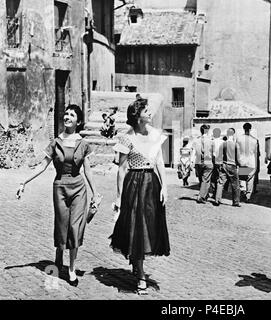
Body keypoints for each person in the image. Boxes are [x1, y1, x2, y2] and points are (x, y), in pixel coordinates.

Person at [16, 104, 100, 287]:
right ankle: (58, 256)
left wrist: (95, 193)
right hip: (60, 187)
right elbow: (42, 165)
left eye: (72, 115)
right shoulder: (55, 142)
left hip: (79, 189)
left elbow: (88, 170)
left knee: (75, 228)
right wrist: (24, 181)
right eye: (66, 114)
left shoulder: (83, 144)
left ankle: (71, 269)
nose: (67, 117)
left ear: (78, 121)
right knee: (62, 226)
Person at [110, 96, 170, 294]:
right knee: (136, 225)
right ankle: (141, 274)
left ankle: (137, 262)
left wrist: (164, 187)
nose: (150, 113)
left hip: (151, 183)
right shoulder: (127, 138)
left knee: (149, 225)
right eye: (146, 111)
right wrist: (119, 196)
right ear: (137, 117)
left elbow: (160, 162)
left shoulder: (155, 135)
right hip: (134, 184)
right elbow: (121, 169)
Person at [214, 128, 241, 207]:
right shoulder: (236, 145)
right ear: (233, 134)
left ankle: (217, 199)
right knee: (235, 184)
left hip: (224, 165)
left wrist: (219, 164)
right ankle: (236, 202)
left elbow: (219, 156)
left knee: (220, 183)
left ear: (227, 134)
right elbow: (238, 158)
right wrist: (240, 165)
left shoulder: (223, 144)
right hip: (232, 165)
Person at [236, 123, 259, 203]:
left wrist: (238, 161)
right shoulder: (254, 140)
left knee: (242, 178)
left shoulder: (239, 139)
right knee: (250, 180)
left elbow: (237, 152)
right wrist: (256, 165)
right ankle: (248, 196)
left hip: (242, 161)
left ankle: (243, 192)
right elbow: (256, 153)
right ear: (250, 129)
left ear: (243, 128)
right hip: (251, 162)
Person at [192, 125, 214, 204]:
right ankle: (201, 197)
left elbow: (193, 152)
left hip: (198, 162)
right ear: (207, 131)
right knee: (206, 179)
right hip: (208, 161)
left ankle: (205, 194)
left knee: (202, 180)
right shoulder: (211, 140)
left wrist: (191, 162)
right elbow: (214, 153)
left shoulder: (196, 140)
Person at [211, 128, 224, 199]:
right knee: (220, 177)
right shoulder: (223, 142)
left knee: (213, 178)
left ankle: (214, 192)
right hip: (221, 161)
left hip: (214, 161)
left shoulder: (211, 142)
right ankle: (219, 193)